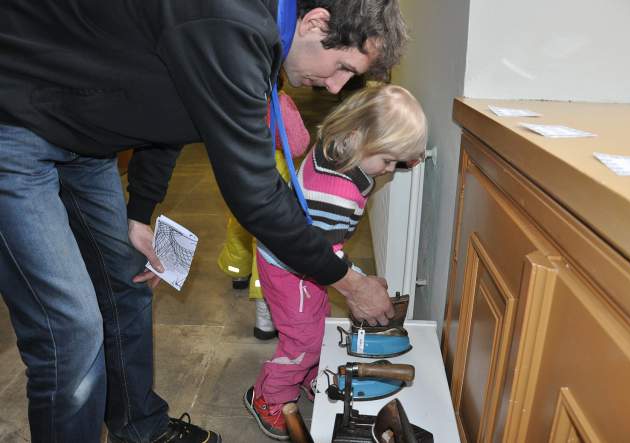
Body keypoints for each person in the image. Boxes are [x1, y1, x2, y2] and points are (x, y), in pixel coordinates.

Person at [0, 0, 408, 442]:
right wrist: (350, 283)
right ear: (315, 22)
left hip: (87, 138)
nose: (334, 87)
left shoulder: (254, 40)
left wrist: (140, 212)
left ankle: (139, 429)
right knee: (71, 331)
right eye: (342, 67)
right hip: (14, 122)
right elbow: (255, 197)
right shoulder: (233, 27)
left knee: (128, 287)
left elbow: (171, 108)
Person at [244, 85, 428, 440]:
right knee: (304, 339)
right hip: (289, 268)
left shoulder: (339, 145)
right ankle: (269, 395)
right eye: (388, 161)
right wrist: (359, 279)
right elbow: (325, 256)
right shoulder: (336, 193)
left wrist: (403, 154)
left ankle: (308, 372)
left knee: (316, 322)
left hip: (302, 258)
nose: (390, 169)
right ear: (360, 138)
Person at [217, 86, 310, 340]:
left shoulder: (229, 93)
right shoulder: (279, 101)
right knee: (267, 238)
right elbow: (298, 144)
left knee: (239, 222)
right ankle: (265, 315)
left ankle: (238, 271)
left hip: (236, 169)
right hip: (270, 172)